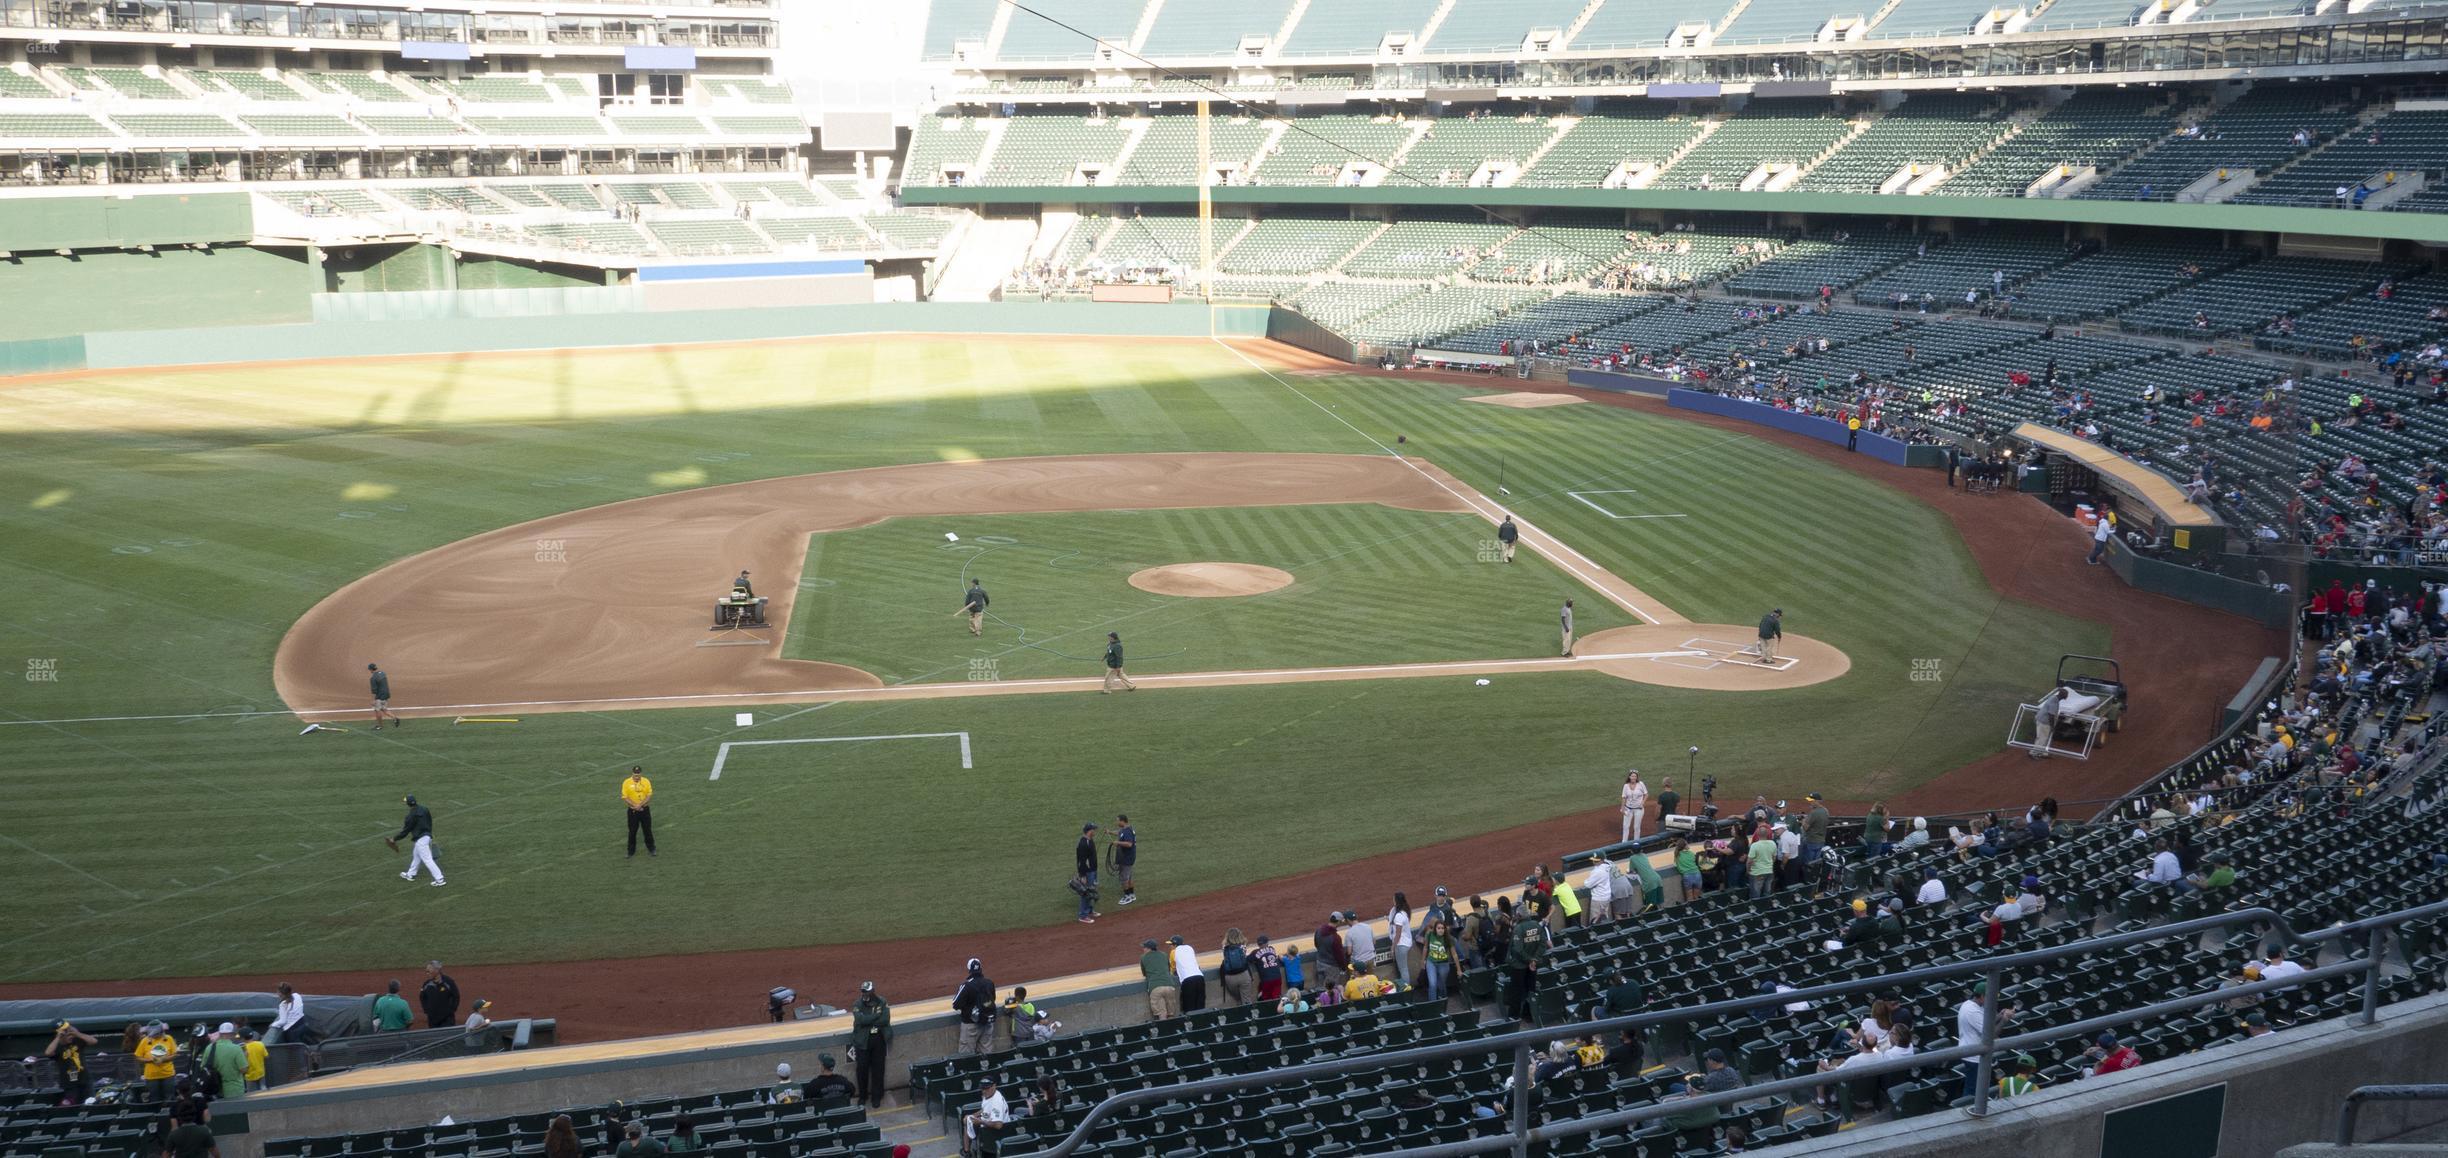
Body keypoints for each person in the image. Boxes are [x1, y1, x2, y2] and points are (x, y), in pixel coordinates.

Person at [849, 981, 892, 1108]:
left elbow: (885, 1019)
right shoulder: (857, 1004)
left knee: (878, 1069)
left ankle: (876, 1096)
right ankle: (863, 1096)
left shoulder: (882, 1001)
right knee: (862, 1069)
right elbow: (860, 1020)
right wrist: (876, 1016)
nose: (864, 993)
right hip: (862, 1041)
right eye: (863, 991)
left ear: (873, 991)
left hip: (878, 1039)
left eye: (867, 991)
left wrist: (869, 1020)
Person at [390, 794, 444, 887]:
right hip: (427, 836)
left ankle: (440, 879)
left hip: (421, 840)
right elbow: (430, 821)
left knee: (428, 860)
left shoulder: (410, 816)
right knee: (416, 856)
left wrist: (394, 839)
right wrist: (429, 834)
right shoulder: (424, 809)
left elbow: (405, 831)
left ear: (408, 804)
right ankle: (411, 874)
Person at [42, 1019, 95, 1105]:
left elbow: (93, 1041)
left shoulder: (76, 1041)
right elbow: (48, 1053)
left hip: (85, 1079)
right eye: (66, 1033)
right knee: (73, 1104)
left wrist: (77, 1034)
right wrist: (58, 1037)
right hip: (69, 1083)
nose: (69, 1035)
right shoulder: (58, 1046)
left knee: (90, 1102)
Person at [952, 958, 995, 1055]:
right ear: (981, 969)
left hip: (970, 1025)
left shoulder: (966, 985)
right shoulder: (989, 983)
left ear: (969, 970)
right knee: (987, 1055)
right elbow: (993, 999)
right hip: (987, 1022)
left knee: (967, 1057)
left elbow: (955, 1004)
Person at [962, 1076, 1010, 1157]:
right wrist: (973, 1115)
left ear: (994, 1086)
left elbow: (998, 1125)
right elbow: (985, 1109)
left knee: (967, 1122)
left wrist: (980, 1121)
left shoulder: (996, 1102)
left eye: (986, 1088)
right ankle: (966, 1152)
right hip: (989, 1123)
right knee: (967, 1119)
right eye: (982, 1088)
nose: (984, 1091)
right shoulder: (991, 1094)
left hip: (995, 1133)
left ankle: (967, 1153)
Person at [200, 1022, 247, 1100]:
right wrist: (245, 1056)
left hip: (214, 1089)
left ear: (220, 1034)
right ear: (232, 1034)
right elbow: (243, 1069)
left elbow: (202, 1067)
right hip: (234, 1088)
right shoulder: (236, 1049)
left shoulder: (210, 1048)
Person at [136, 1020, 179, 1103]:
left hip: (168, 1075)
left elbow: (175, 1054)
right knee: (154, 1099)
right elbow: (138, 1057)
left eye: (156, 1034)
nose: (155, 1036)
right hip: (151, 1076)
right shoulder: (144, 1041)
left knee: (169, 1097)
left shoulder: (169, 1039)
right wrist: (150, 1060)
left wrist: (163, 1059)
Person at [621, 767, 657, 859]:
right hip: (632, 811)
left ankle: (652, 849)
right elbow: (625, 797)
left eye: (638, 775)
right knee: (632, 831)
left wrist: (640, 805)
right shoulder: (626, 782)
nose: (637, 777)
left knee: (647, 830)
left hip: (644, 810)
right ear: (632, 774)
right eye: (635, 775)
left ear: (641, 774)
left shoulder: (646, 781)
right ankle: (630, 851)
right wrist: (636, 806)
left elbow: (649, 795)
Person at [1141, 939, 1180, 1019]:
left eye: (1144, 947)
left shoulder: (1143, 957)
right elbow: (1168, 970)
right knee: (1171, 1014)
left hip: (1155, 988)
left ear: (1149, 948)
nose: (1143, 949)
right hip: (1169, 986)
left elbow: (1144, 974)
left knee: (1161, 1014)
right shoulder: (1164, 954)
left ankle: (1165, 1030)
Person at [1216, 929, 1255, 1007]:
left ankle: (1242, 1017)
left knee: (1238, 1000)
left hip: (1230, 978)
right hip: (1243, 975)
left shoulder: (1224, 947)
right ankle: (1250, 1017)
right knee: (1247, 1000)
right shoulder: (1243, 946)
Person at [420, 960, 461, 1029]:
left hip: (447, 1019)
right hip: (432, 1019)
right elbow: (422, 997)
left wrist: (452, 1010)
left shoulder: (449, 982)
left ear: (437, 970)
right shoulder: (426, 984)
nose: (427, 973)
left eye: (429, 971)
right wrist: (427, 1010)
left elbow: (456, 996)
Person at [1170, 935, 1207, 1013]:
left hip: (1188, 980)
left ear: (1175, 945)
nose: (1170, 946)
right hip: (1200, 977)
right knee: (1200, 1006)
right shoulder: (1190, 948)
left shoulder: (1173, 952)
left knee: (1189, 1007)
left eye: (1171, 944)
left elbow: (1173, 968)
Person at [1072, 823, 1100, 924]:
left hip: (1093, 870)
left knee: (1091, 892)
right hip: (1087, 872)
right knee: (1086, 893)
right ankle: (1083, 915)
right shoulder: (1083, 844)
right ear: (1089, 831)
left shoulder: (1090, 840)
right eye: (1094, 829)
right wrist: (1083, 875)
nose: (1095, 831)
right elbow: (1081, 861)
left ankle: (1090, 911)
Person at [1387, 892, 1415, 981]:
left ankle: (1406, 990)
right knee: (1404, 969)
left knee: (1403, 970)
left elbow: (1398, 934)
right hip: (1406, 942)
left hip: (1401, 944)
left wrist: (1393, 947)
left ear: (1396, 901)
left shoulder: (1399, 916)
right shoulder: (1404, 912)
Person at [1111, 815, 1137, 906]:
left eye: (1118, 821)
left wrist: (1117, 843)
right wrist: (1109, 832)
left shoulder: (1127, 832)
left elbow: (1129, 844)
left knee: (1124, 878)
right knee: (1129, 877)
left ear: (1123, 821)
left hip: (1126, 858)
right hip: (1128, 858)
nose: (1117, 823)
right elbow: (1119, 832)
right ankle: (1132, 895)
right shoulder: (1126, 829)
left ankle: (1127, 897)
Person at [1252, 933, 1287, 1002]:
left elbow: (1248, 959)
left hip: (1266, 980)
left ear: (1258, 944)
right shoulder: (1272, 948)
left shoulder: (1255, 952)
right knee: (1276, 997)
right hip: (1277, 978)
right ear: (1267, 943)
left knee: (1266, 999)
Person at [366, 662, 398, 729]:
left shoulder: (373, 678)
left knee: (377, 710)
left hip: (379, 696)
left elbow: (374, 691)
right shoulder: (383, 673)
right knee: (384, 709)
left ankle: (380, 726)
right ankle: (395, 718)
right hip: (386, 694)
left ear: (371, 670)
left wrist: (374, 700)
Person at [1622, 771, 1649, 843]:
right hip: (1628, 809)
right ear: (1629, 777)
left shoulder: (1641, 784)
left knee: (1636, 827)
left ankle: (1636, 842)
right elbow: (1624, 797)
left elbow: (1646, 794)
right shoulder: (1626, 786)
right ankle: (1624, 843)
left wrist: (1642, 803)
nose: (1633, 777)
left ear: (1637, 777)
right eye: (1632, 776)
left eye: (1635, 776)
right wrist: (1622, 808)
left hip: (1638, 809)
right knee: (1625, 826)